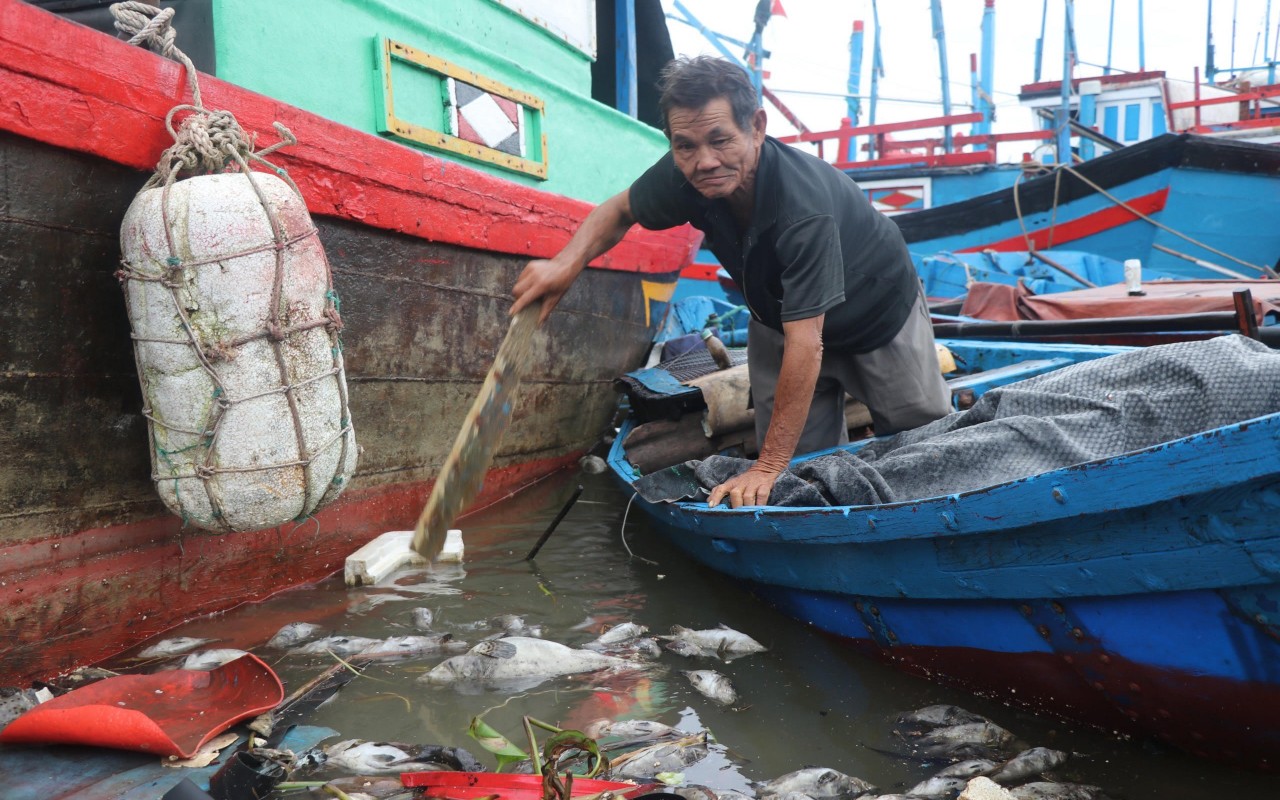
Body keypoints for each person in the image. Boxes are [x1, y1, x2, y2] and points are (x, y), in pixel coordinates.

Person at [510, 56, 951, 509]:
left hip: (876, 314)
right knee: (803, 471)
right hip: (782, 318)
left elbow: (808, 344)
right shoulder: (686, 174)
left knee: (927, 448)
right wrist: (564, 264)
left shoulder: (802, 207)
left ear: (756, 127)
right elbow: (619, 210)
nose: (705, 161)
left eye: (721, 140)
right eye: (686, 146)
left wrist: (765, 464)